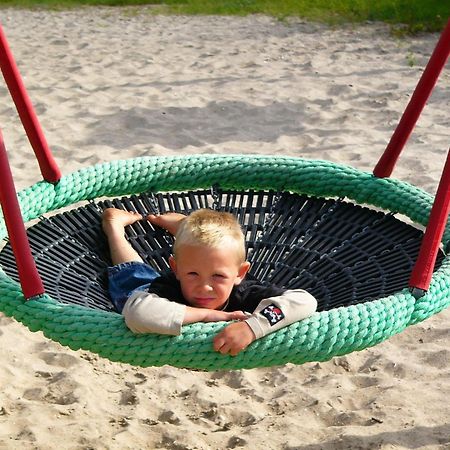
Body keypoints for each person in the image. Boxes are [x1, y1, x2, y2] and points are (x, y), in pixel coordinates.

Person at [102, 207, 317, 356]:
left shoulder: (246, 292)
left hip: (211, 270)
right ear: (175, 269)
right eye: (193, 274)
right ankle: (114, 227)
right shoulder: (165, 290)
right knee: (134, 275)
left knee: (202, 256)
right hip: (159, 294)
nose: (205, 287)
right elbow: (137, 313)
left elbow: (305, 301)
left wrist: (253, 328)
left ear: (240, 274)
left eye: (218, 277)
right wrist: (209, 315)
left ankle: (185, 230)